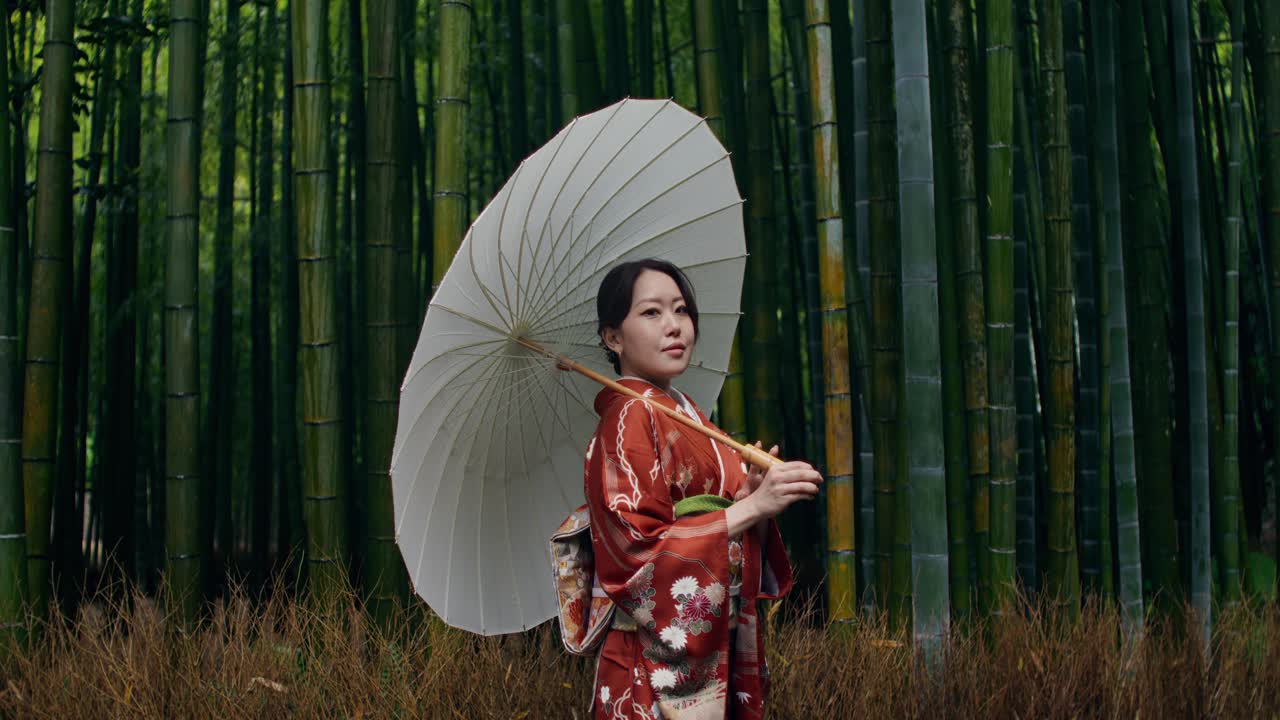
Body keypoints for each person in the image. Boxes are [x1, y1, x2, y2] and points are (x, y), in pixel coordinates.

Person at [584, 258, 822, 719]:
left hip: (711, 645)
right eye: (651, 313)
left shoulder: (682, 409)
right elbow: (636, 552)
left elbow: (718, 519)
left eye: (681, 310)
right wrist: (751, 509)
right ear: (613, 337)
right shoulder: (628, 418)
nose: (674, 326)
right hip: (652, 666)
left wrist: (746, 497)